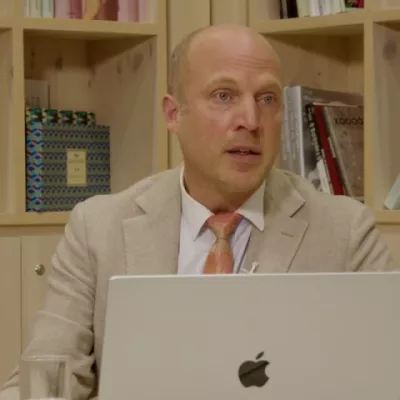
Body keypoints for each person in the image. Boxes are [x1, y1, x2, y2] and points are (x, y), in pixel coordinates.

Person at [0, 23, 394, 400]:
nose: (250, 121)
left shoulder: (345, 232)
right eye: (224, 96)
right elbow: (44, 377)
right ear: (173, 114)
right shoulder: (98, 228)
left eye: (267, 99)